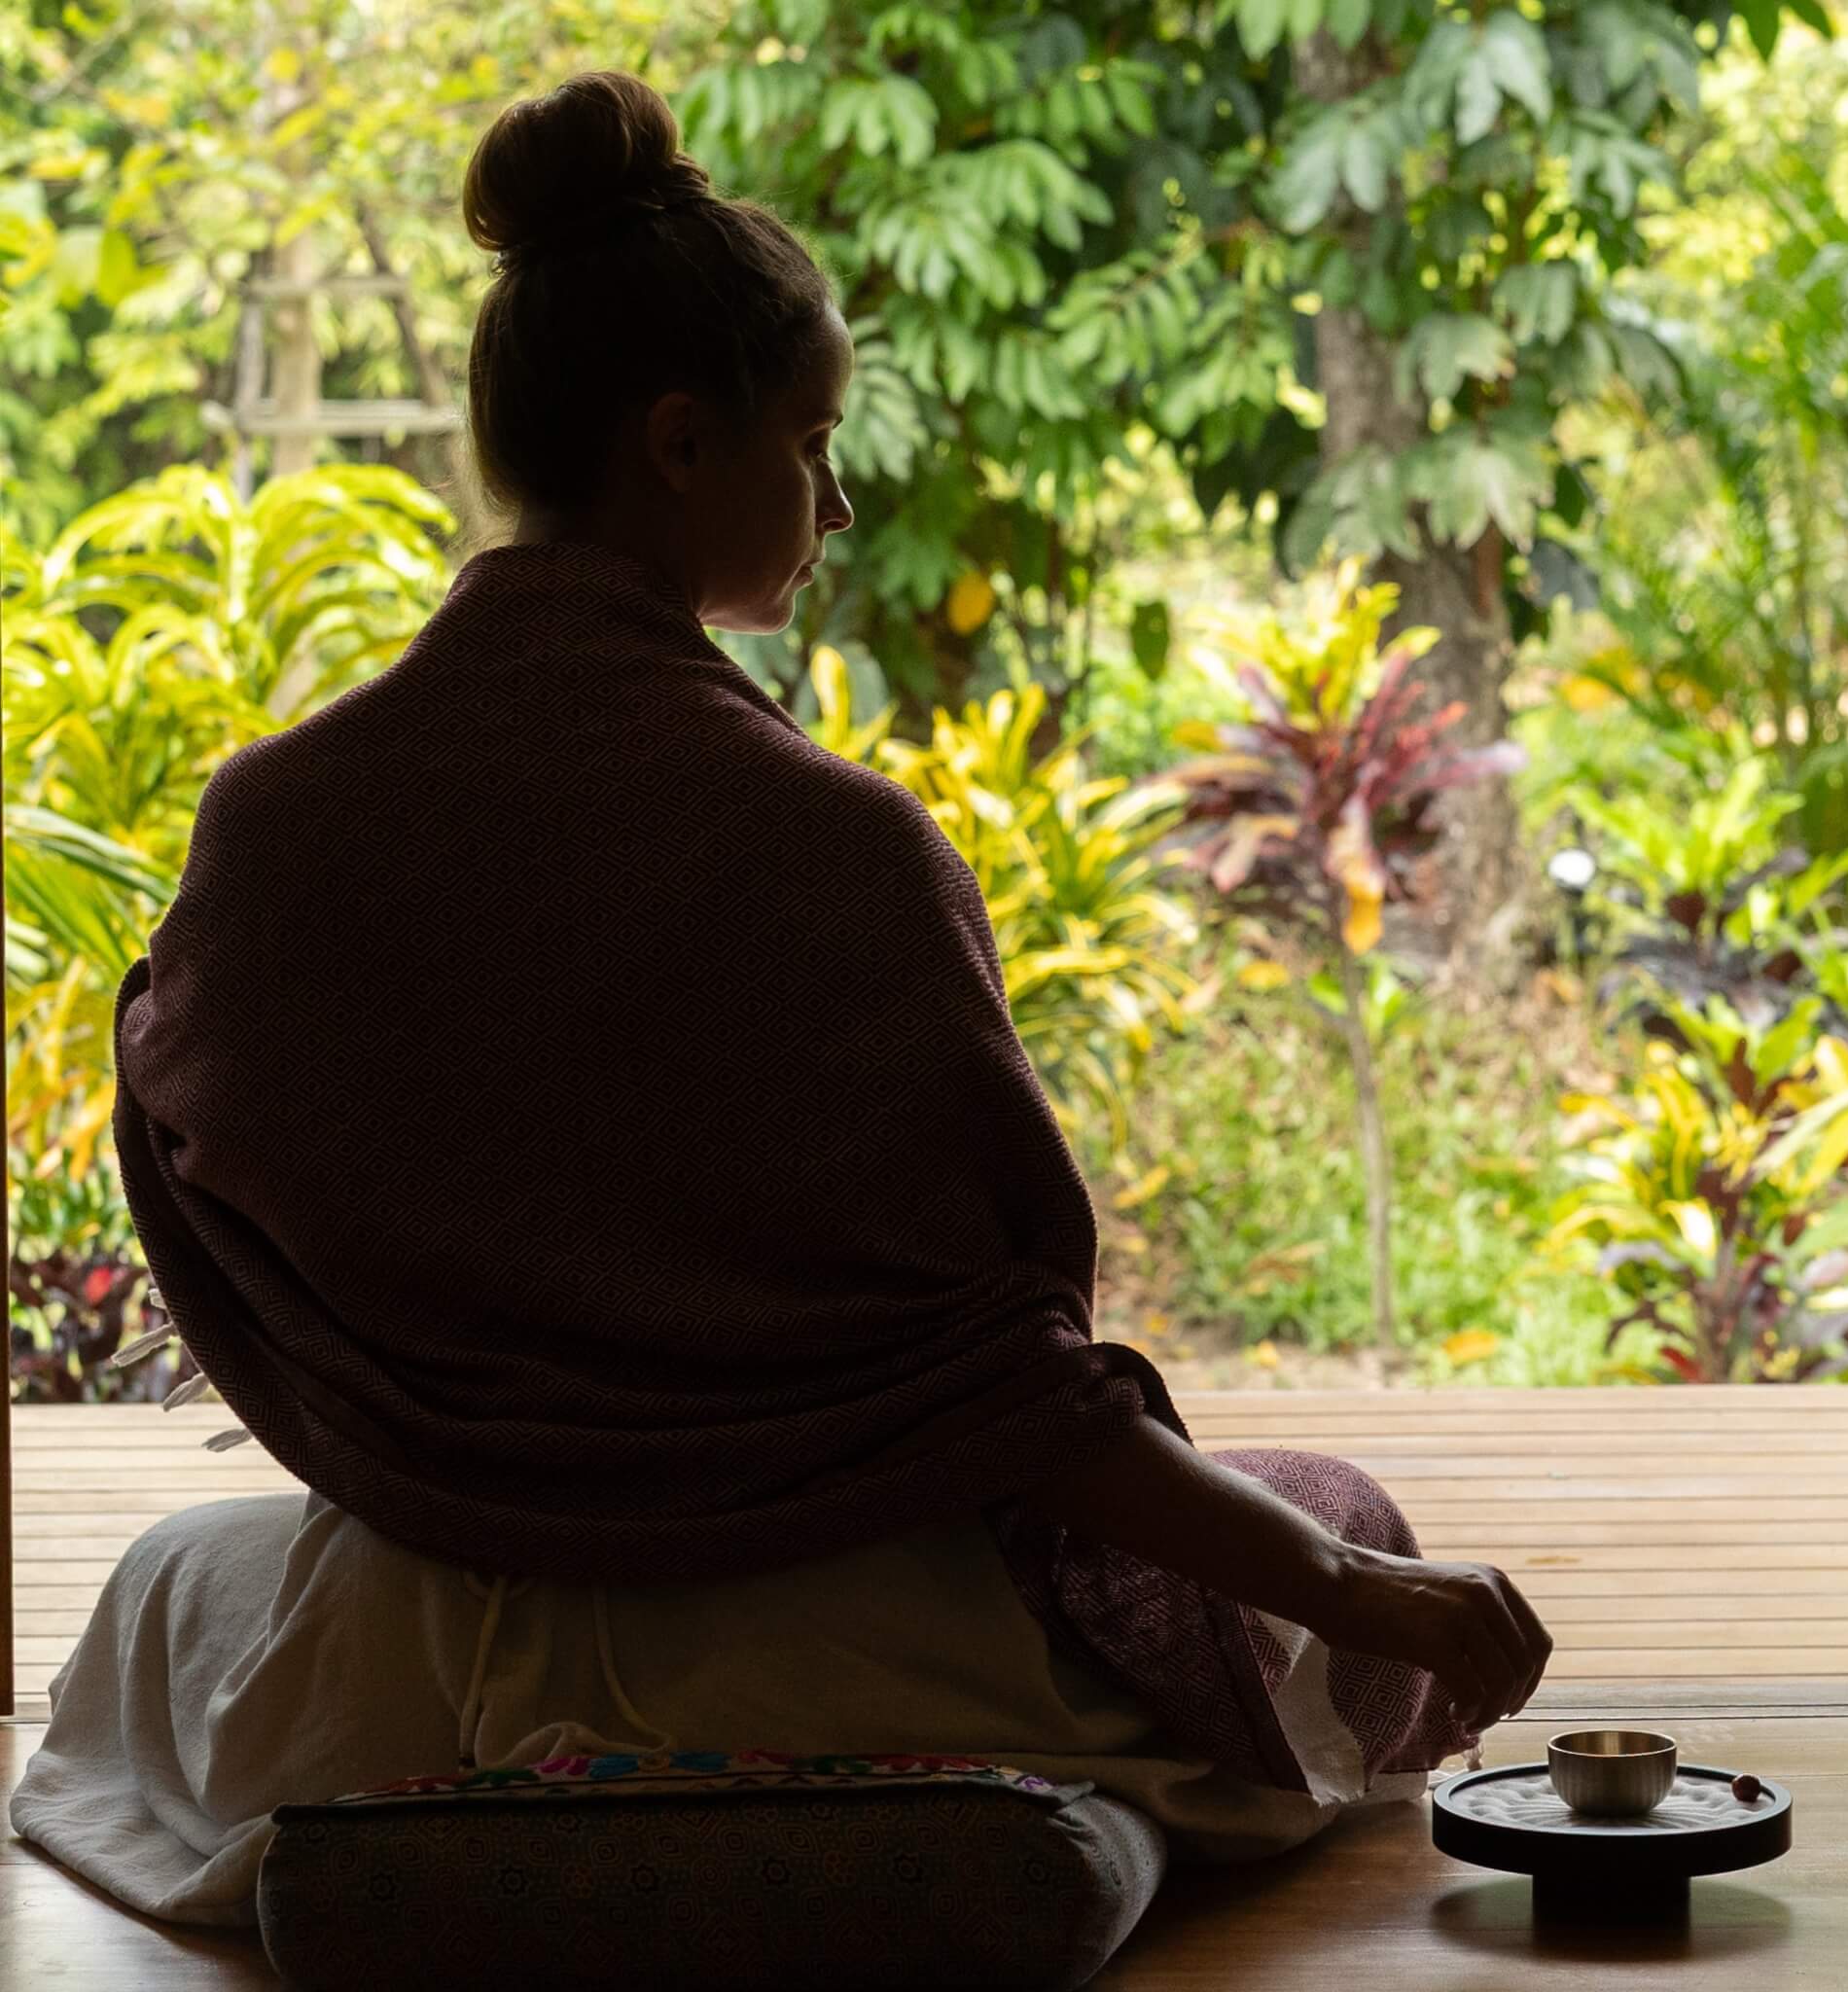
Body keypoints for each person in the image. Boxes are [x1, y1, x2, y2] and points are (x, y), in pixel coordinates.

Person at [9, 70, 1549, 1929]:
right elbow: (1018, 1402)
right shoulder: (844, 850)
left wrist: (493, 1457)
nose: (832, 499)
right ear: (677, 443)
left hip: (411, 1652)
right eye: (809, 440)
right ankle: (924, 1827)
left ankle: (464, 1836)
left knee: (178, 1578)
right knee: (1336, 1513)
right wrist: (1361, 1594)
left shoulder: (272, 821)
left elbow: (207, 1201)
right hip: (870, 1650)